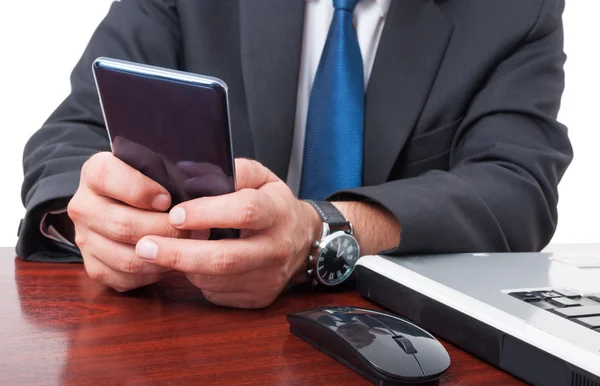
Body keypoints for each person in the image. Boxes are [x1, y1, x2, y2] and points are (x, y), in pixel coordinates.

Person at [18, 0, 573, 308]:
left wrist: (321, 230)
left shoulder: (516, 10)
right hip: (193, 325)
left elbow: (517, 184)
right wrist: (91, 215)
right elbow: (74, 132)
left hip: (391, 332)